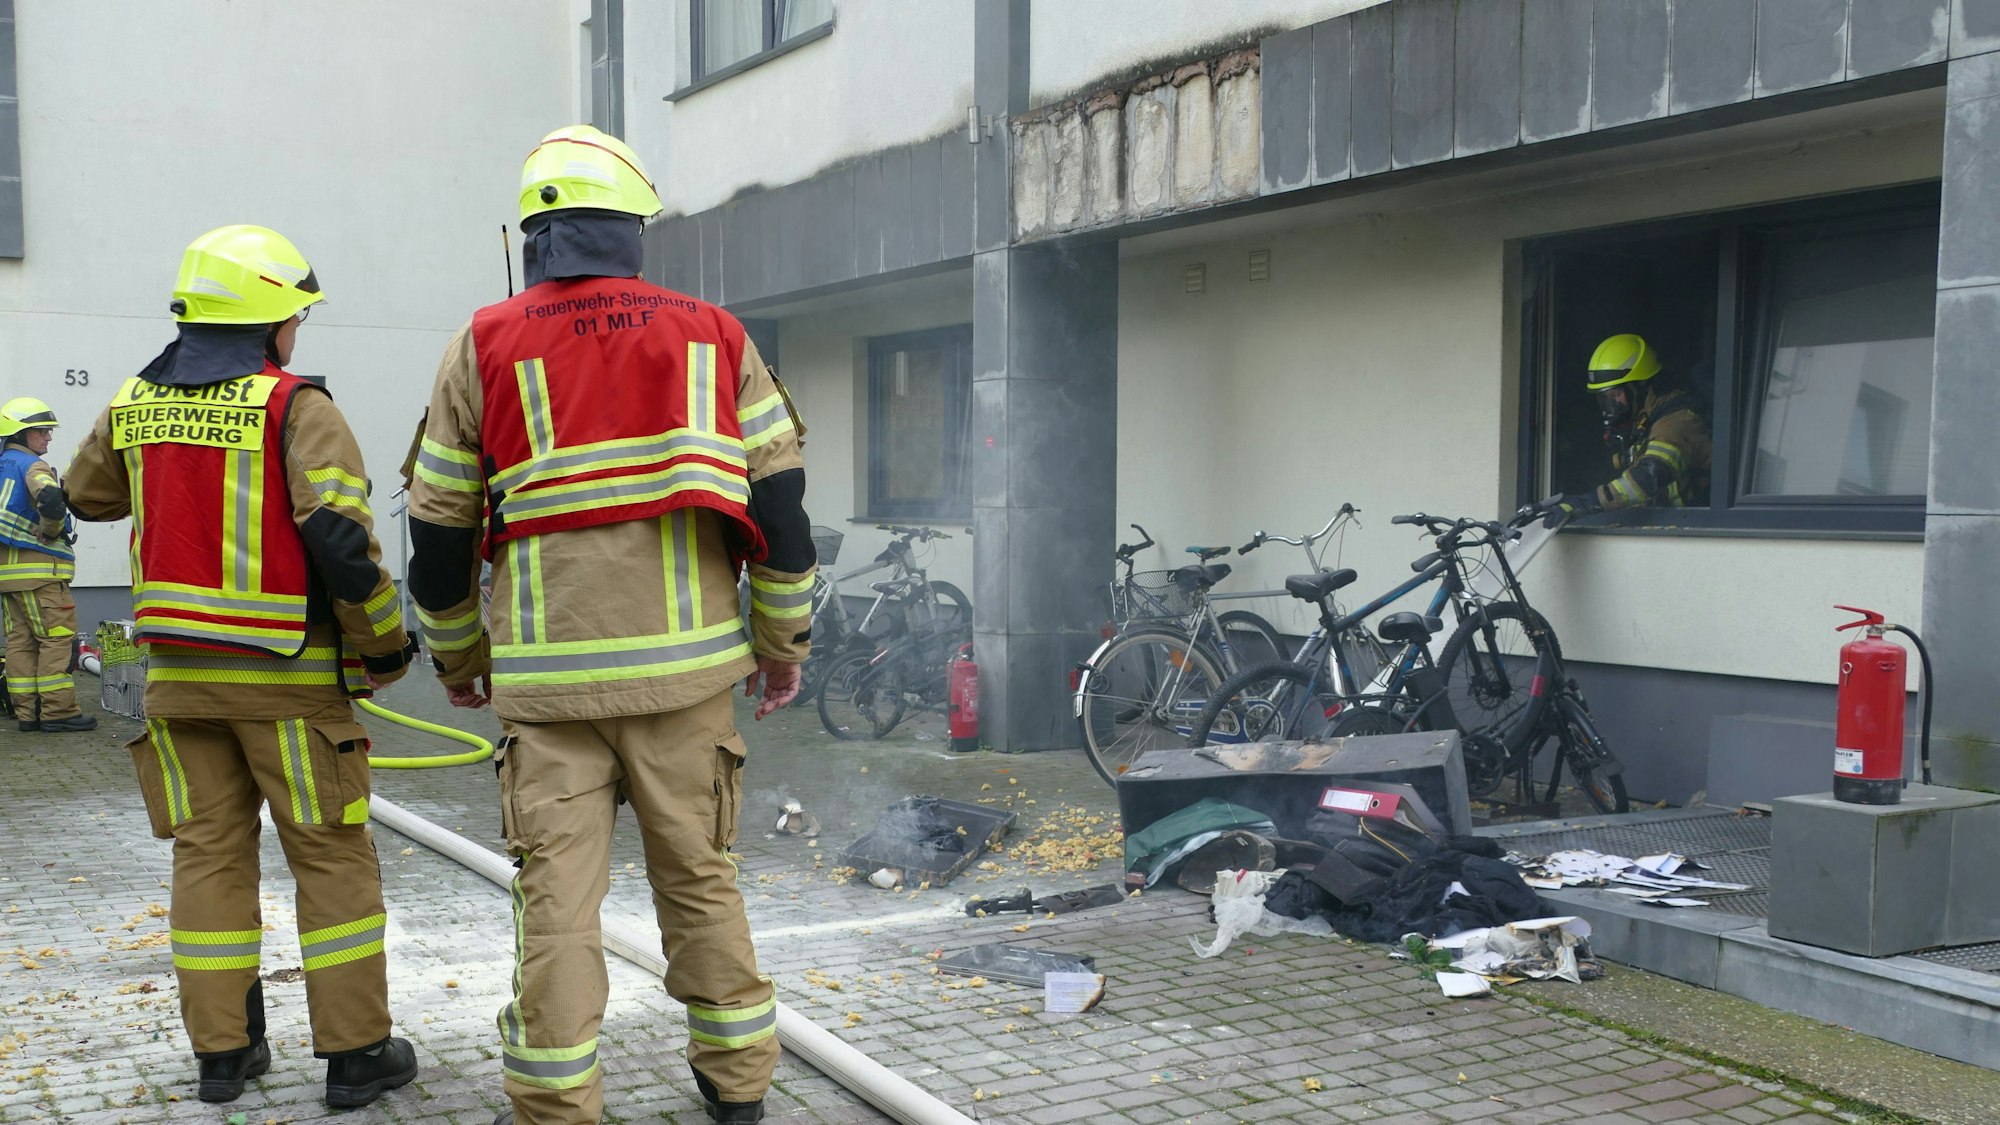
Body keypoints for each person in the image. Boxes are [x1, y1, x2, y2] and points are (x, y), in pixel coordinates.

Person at [405, 125, 815, 1125]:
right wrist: (779, 645)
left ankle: (555, 1109)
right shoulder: (712, 333)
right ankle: (738, 1097)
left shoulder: (483, 342)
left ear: (536, 234)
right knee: (701, 886)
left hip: (546, 694)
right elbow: (783, 511)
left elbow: (439, 529)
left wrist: (460, 658)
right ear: (632, 229)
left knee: (555, 913)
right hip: (685, 685)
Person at [65, 225, 420, 1108]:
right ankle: (355, 1055)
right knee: (332, 860)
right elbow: (340, 537)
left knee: (208, 859)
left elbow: (85, 492)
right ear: (270, 321)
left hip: (180, 684)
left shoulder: (136, 401)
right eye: (294, 312)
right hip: (291, 686)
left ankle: (223, 1056)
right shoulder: (298, 406)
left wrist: (163, 388)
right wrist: (383, 643)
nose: (300, 326)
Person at [1540, 333, 1713, 526]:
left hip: (1694, 530)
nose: (1611, 404)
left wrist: (1586, 503)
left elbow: (1647, 478)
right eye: (1604, 398)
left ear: (1641, 386)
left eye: (1615, 394)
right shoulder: (1644, 422)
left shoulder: (1676, 423)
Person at [0, 398, 93, 732]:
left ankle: (27, 715)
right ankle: (58, 712)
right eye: (41, 431)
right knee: (56, 638)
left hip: (7, 578)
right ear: (20, 433)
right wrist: (51, 529)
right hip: (41, 573)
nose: (48, 437)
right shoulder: (32, 466)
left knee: (20, 642)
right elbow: (52, 500)